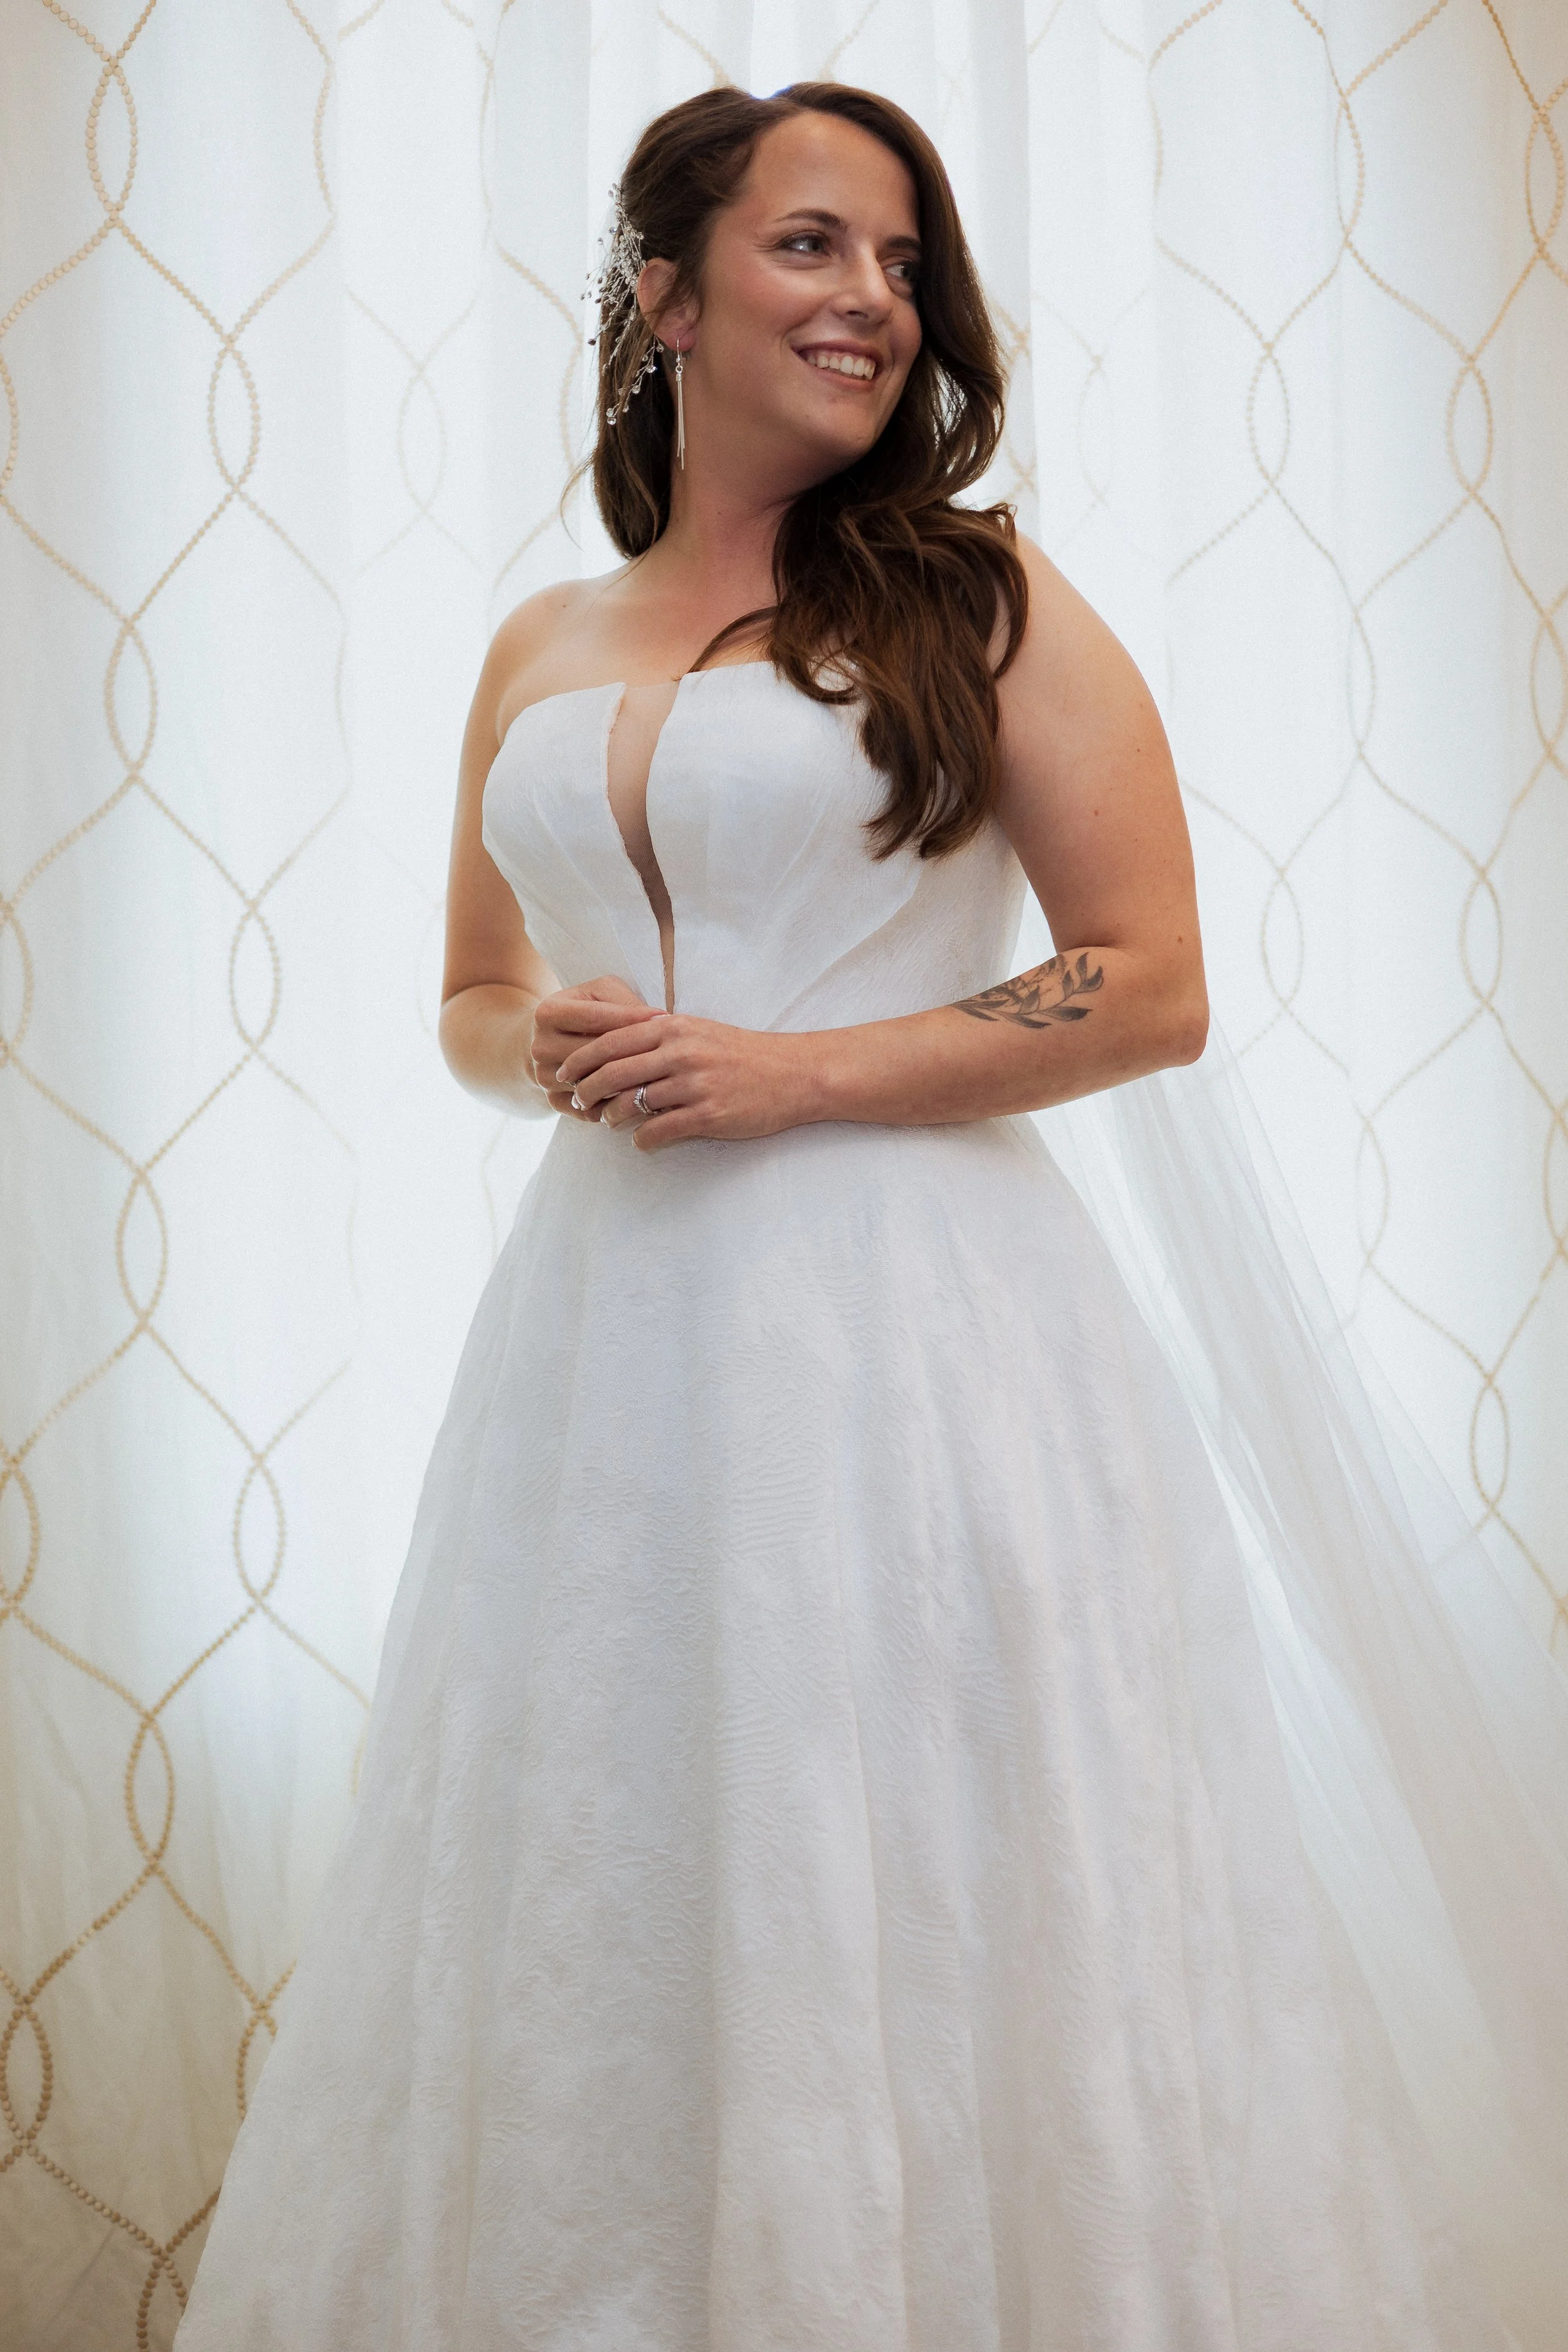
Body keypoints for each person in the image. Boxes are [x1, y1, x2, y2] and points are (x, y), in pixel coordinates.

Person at [176, 81, 1568, 2352]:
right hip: (603, 1361)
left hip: (929, 1343)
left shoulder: (980, 595)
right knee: (618, 1880)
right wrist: (551, 1050)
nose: (872, 302)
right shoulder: (538, 636)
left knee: (931, 1876)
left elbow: (1154, 982)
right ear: (665, 292)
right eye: (813, 246)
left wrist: (782, 1071)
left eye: (903, 262)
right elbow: (465, 995)